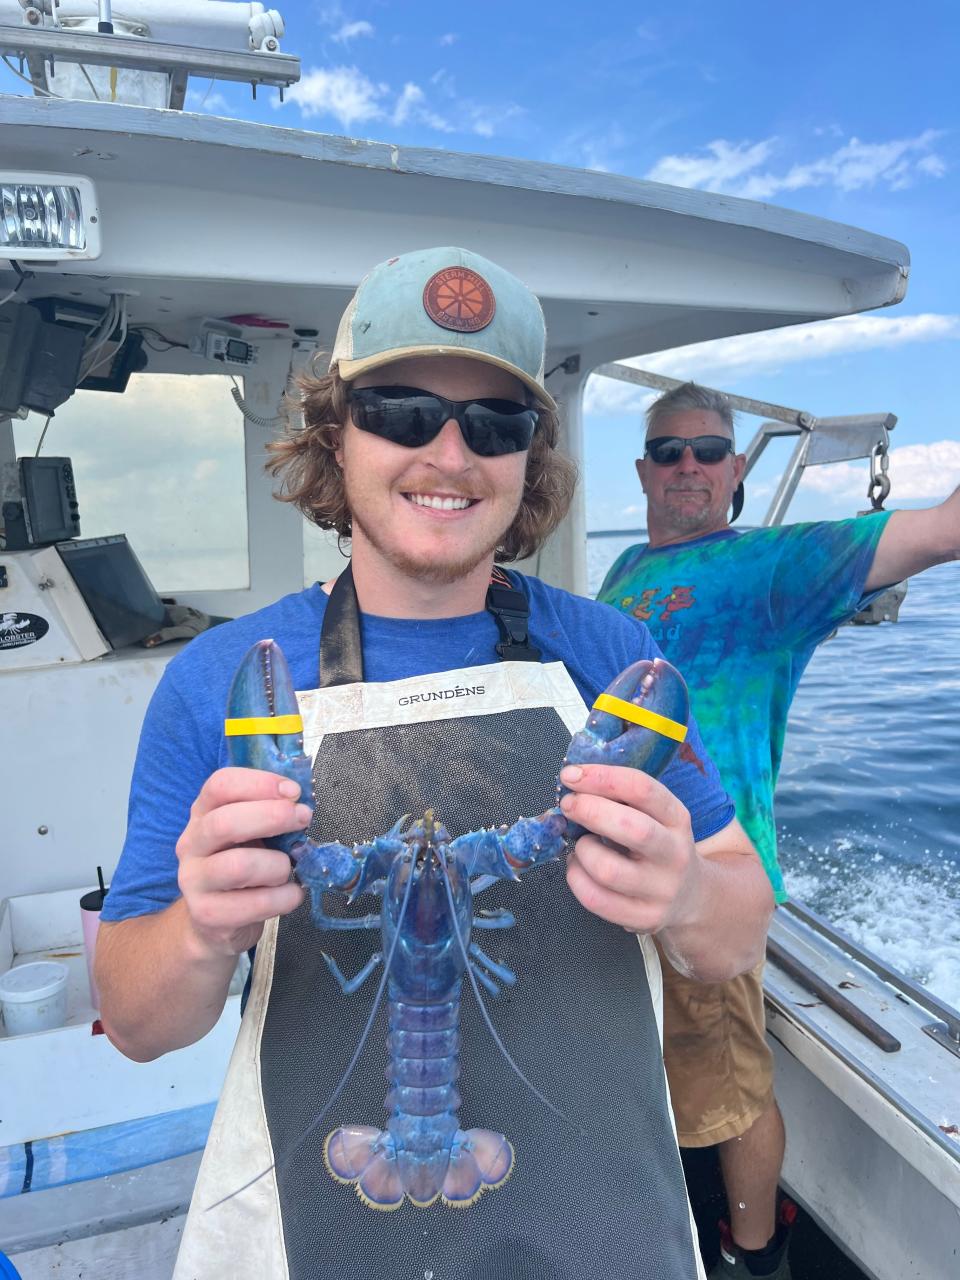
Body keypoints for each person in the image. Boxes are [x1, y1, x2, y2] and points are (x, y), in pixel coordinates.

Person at [96, 248, 773, 1280]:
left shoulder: (607, 655)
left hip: (603, 1220)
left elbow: (734, 930)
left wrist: (683, 889)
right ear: (337, 432)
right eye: (402, 410)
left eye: (496, 424)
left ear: (528, 457)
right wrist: (199, 925)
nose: (450, 454)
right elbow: (139, 1025)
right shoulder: (218, 679)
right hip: (328, 1231)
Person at [597, 380, 960, 1280]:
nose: (689, 466)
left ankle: (753, 1254)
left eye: (709, 451)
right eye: (671, 450)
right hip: (609, 873)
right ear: (643, 469)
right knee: (641, 1076)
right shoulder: (622, 575)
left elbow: (943, 529)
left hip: (708, 882)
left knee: (729, 1095)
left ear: (736, 475)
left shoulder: (776, 568)